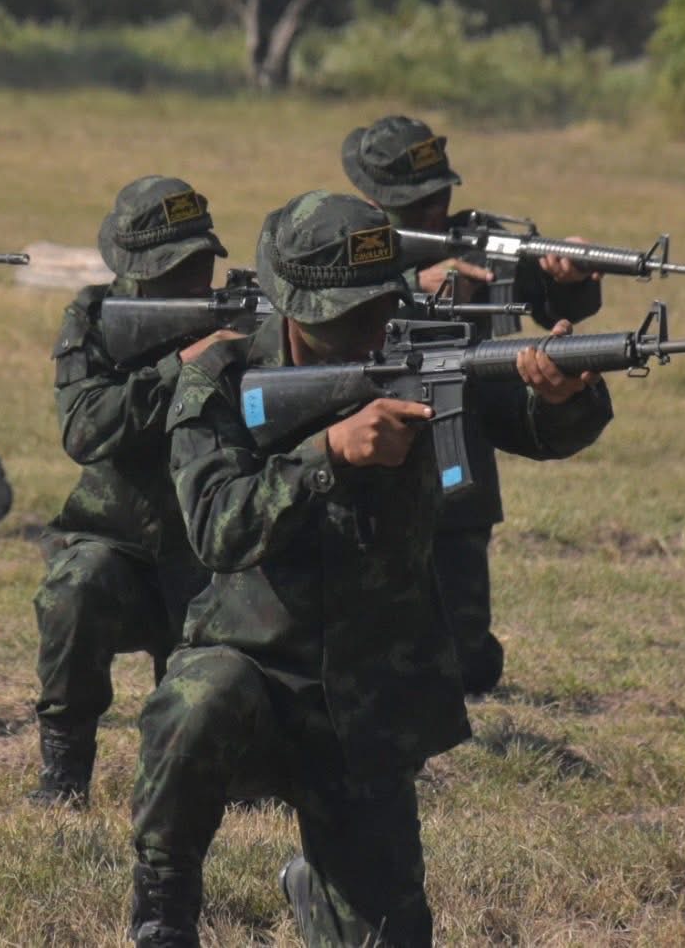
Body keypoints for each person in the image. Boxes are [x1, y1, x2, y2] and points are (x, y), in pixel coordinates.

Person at [128, 190, 613, 946]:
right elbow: (218, 527)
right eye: (344, 314)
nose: (368, 328)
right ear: (290, 305)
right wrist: (327, 454)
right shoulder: (224, 375)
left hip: (370, 697)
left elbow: (535, 428)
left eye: (378, 306)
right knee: (195, 702)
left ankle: (313, 885)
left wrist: (561, 398)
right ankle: (164, 898)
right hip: (255, 671)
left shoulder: (425, 348)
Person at [339, 114, 602, 694]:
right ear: (372, 199)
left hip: (454, 470)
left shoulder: (479, 241)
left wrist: (569, 278)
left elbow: (552, 308)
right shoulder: (346, 244)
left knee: (465, 668)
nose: (435, 213)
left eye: (441, 196)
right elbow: (321, 309)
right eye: (416, 205)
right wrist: (414, 289)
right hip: (362, 453)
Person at [31, 176, 223, 805]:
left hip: (215, 557)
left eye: (200, 263)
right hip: (121, 550)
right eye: (177, 267)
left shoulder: (240, 325)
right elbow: (84, 429)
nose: (194, 279)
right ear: (135, 270)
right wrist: (182, 366)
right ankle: (64, 776)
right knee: (74, 587)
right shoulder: (96, 319)